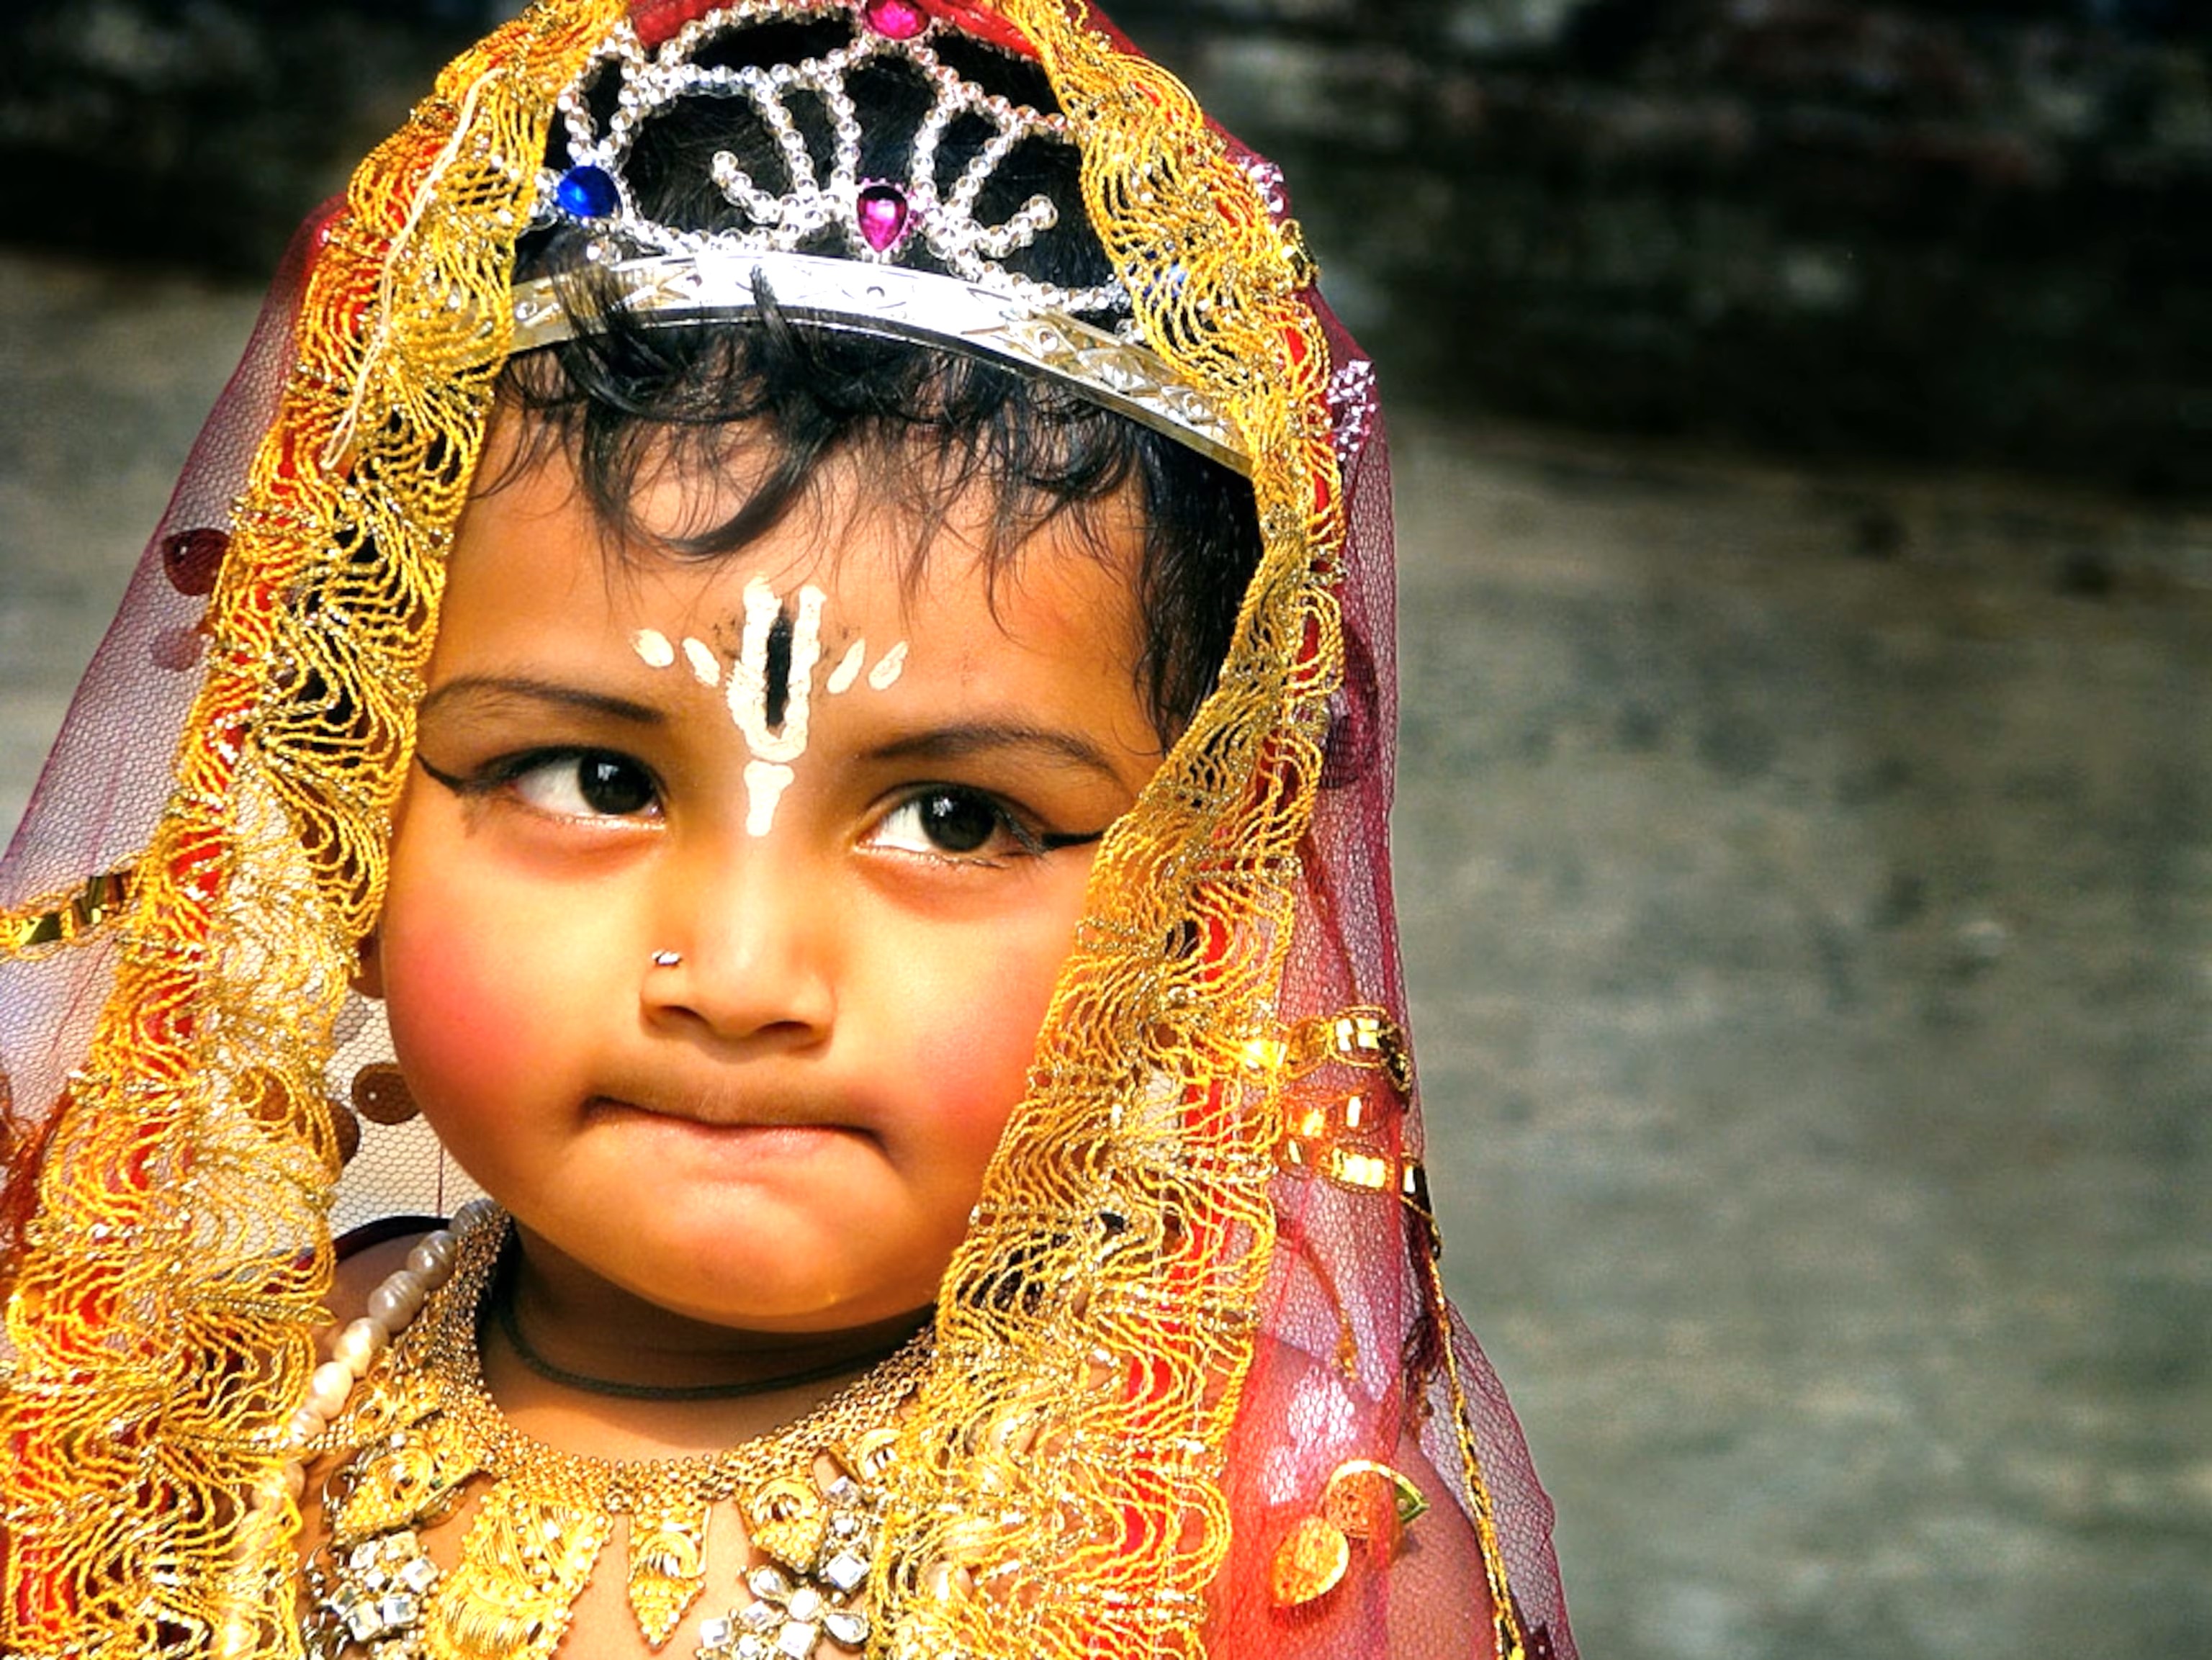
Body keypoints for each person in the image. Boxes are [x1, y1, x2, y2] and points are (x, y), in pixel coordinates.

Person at [0, 3, 1574, 1658]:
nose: (740, 975)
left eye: (957, 817)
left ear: (1197, 907)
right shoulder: (163, 1424)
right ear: (342, 819)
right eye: (593, 780)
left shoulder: (1282, 1546)